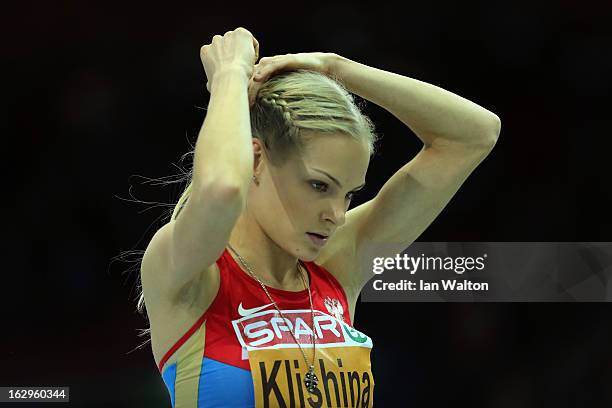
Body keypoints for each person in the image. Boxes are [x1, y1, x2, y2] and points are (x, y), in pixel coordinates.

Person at [138, 27, 501, 407]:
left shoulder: (337, 267)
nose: (338, 216)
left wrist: (335, 68)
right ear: (256, 159)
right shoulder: (194, 273)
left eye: (348, 194)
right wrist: (230, 73)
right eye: (319, 186)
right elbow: (222, 189)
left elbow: (474, 134)